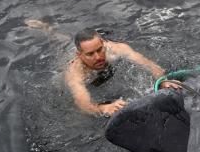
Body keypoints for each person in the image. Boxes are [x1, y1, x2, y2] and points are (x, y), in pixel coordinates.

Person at [25, 20, 181, 117]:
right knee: (58, 42)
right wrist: (103, 108)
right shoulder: (75, 72)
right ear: (79, 55)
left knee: (65, 40)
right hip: (66, 57)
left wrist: (162, 81)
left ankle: (49, 29)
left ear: (103, 43)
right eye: (90, 54)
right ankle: (46, 29)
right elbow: (83, 104)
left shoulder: (115, 49)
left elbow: (148, 64)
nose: (98, 56)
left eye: (99, 49)